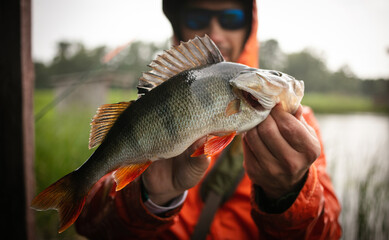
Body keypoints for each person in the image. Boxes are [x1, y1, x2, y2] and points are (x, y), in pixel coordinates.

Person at [75, 0, 342, 239]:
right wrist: (149, 196)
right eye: (197, 19)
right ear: (178, 25)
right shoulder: (151, 103)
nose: (215, 31)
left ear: (249, 28)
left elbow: (329, 233)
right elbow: (89, 223)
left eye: (231, 18)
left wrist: (290, 192)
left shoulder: (300, 127)